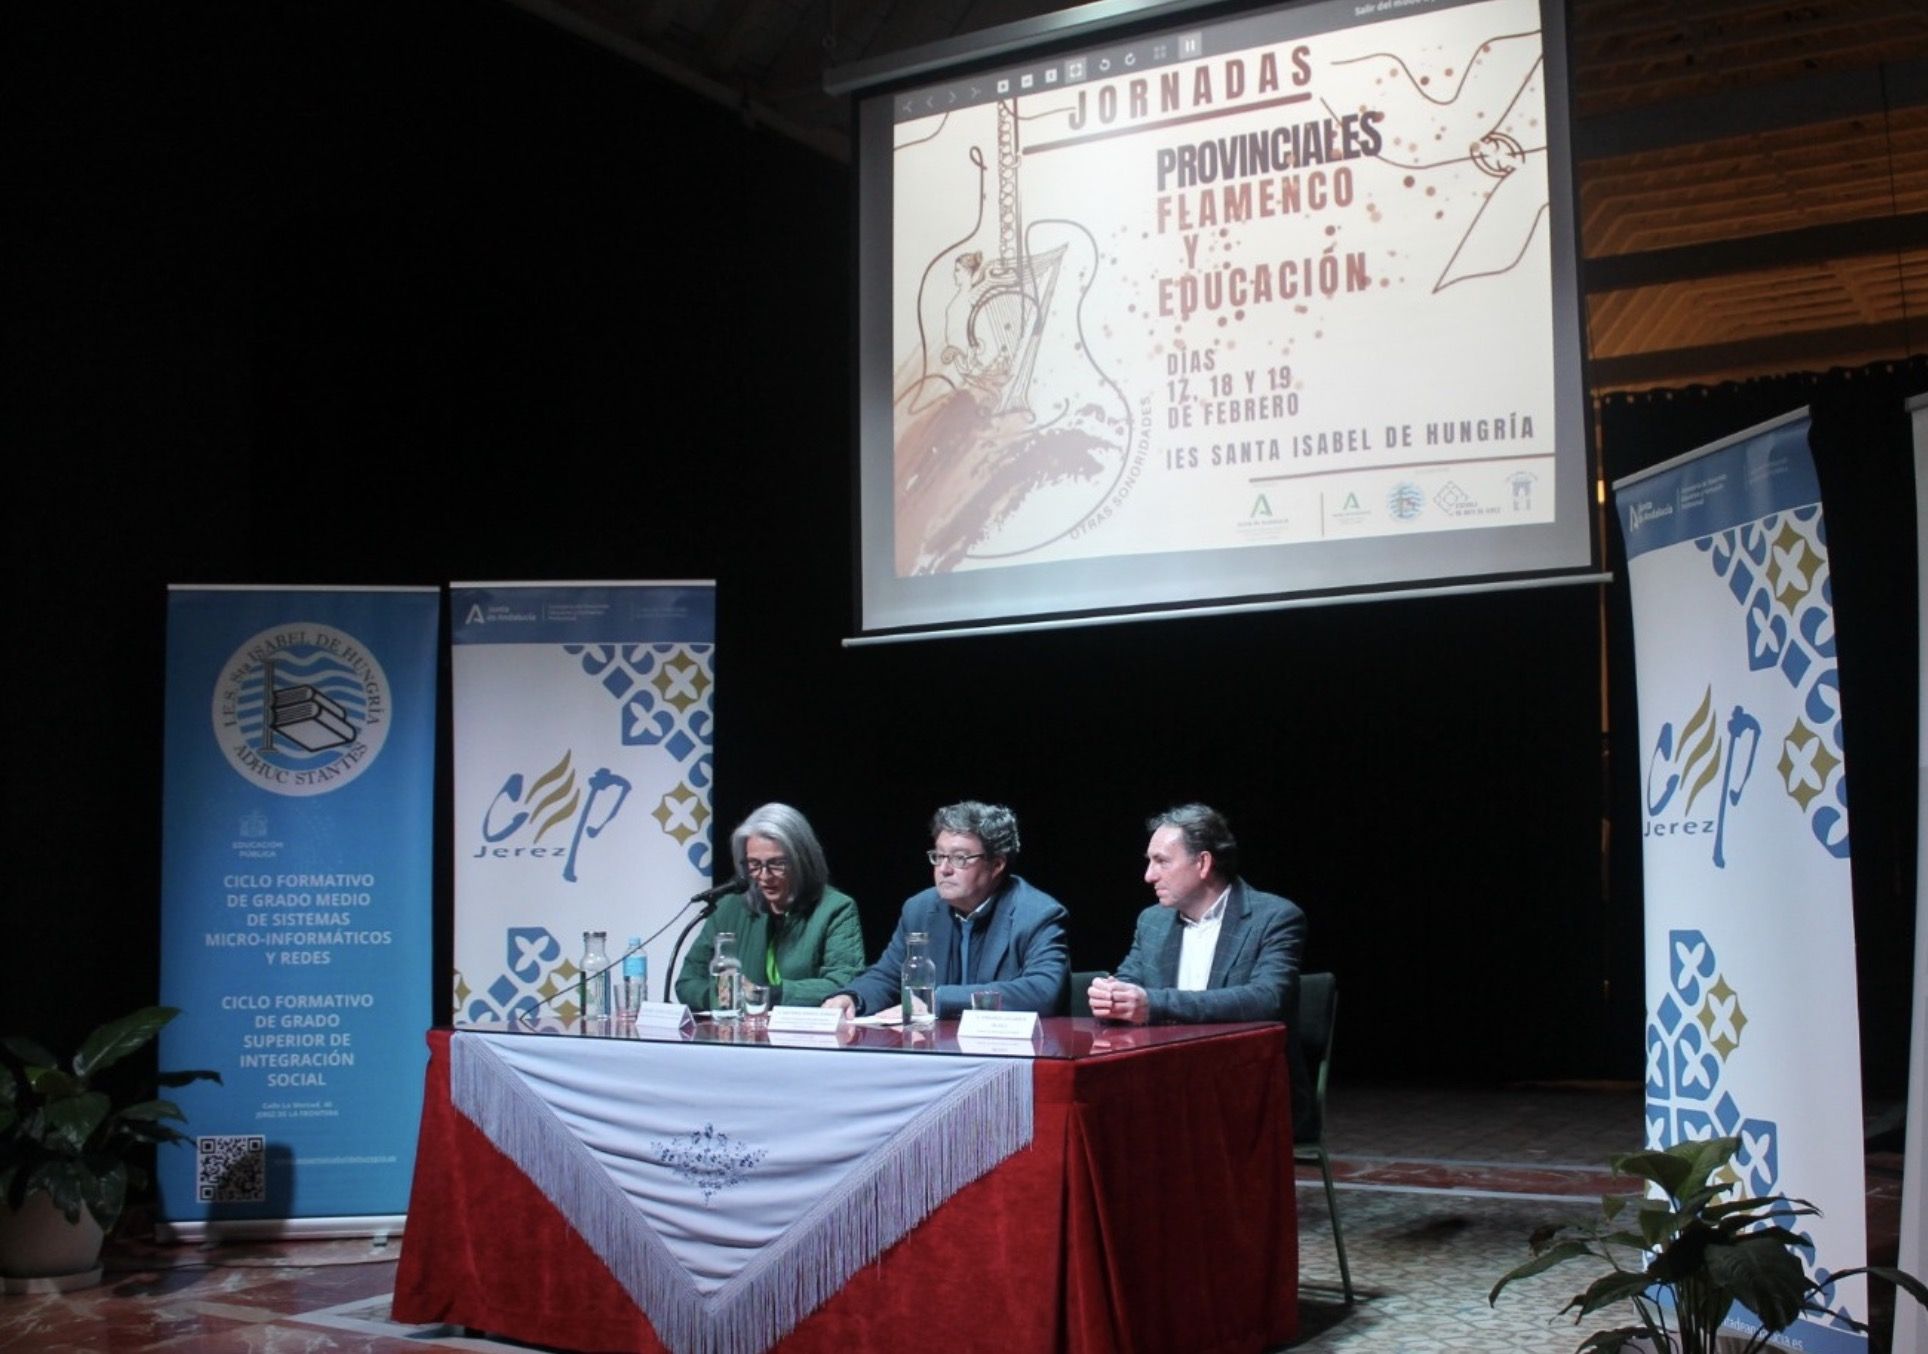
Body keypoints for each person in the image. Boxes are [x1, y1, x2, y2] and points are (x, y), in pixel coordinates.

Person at [1088, 803, 1314, 1138]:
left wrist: (1152, 1004)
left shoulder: (1274, 918)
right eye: (1149, 861)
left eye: (1162, 861)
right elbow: (1130, 980)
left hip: (1248, 1090)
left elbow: (1268, 999)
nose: (1149, 875)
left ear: (1203, 863)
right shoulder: (1152, 921)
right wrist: (1112, 996)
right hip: (1163, 1085)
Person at [824, 800, 1068, 1020]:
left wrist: (938, 1001)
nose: (944, 869)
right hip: (934, 1046)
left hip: (1004, 1048)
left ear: (996, 864)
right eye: (939, 856)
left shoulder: (1037, 913)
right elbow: (888, 975)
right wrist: (852, 997)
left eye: (959, 858)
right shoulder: (919, 909)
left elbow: (1044, 991)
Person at [674, 803, 866, 1009]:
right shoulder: (727, 908)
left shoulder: (836, 909)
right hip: (738, 1027)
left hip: (801, 1027)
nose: (764, 876)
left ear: (803, 860)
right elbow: (688, 981)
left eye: (777, 863)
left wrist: (765, 994)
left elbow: (844, 983)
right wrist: (719, 995)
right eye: (754, 864)